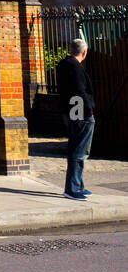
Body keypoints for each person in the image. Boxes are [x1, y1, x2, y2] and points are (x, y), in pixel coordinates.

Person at [55, 38, 95, 200]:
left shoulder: (64, 64)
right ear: (84, 52)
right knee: (79, 150)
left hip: (71, 109)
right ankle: (72, 188)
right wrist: (89, 111)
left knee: (77, 148)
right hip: (80, 111)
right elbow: (79, 92)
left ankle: (78, 185)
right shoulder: (75, 67)